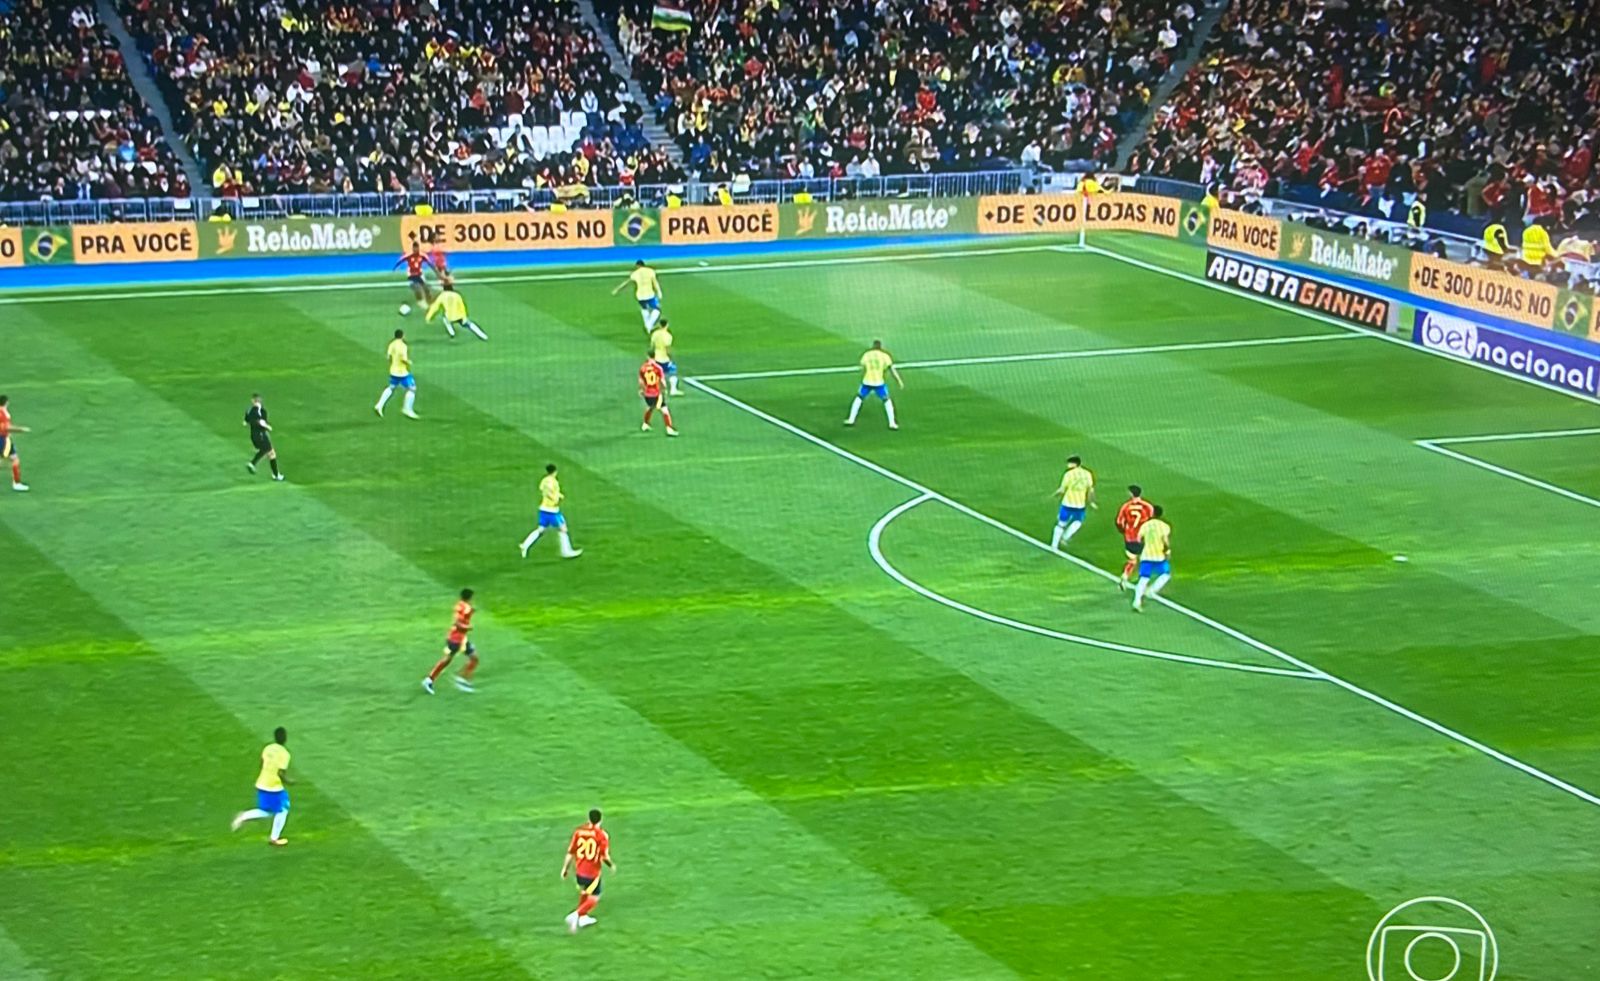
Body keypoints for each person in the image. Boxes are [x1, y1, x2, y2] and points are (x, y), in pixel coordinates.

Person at [230, 727, 292, 846]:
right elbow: (280, 773)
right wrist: (289, 781)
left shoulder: (268, 748)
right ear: (284, 738)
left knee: (268, 811)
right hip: (273, 787)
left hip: (262, 782)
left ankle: (244, 816)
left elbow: (262, 763)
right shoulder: (284, 754)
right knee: (282, 810)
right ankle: (274, 838)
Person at [560, 808, 615, 932]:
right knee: (595, 897)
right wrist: (611, 865)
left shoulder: (579, 832)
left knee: (585, 892)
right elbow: (604, 856)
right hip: (592, 872)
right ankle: (576, 914)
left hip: (579, 871)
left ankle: (583, 918)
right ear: (600, 819)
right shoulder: (601, 835)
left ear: (589, 819)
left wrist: (565, 868)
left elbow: (570, 852)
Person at [519, 464, 583, 558]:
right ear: (555, 471)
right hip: (552, 511)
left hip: (543, 508)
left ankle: (525, 545)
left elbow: (542, 489)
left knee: (541, 530)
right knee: (563, 529)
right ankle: (566, 552)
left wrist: (559, 495)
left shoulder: (544, 480)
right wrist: (555, 498)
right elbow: (548, 491)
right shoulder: (552, 481)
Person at [422, 589, 480, 694]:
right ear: (470, 597)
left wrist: (471, 612)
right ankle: (430, 680)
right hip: (456, 639)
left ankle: (462, 679)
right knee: (448, 660)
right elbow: (457, 623)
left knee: (473, 658)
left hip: (459, 638)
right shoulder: (464, 607)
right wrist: (468, 627)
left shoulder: (461, 605)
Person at [844, 340, 903, 429]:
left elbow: (862, 366)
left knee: (859, 398)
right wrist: (899, 380)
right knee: (887, 400)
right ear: (880, 346)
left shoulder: (867, 355)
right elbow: (892, 370)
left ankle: (851, 419)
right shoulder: (885, 356)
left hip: (867, 381)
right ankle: (892, 423)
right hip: (879, 383)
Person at [1131, 505, 1172, 612]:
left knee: (1143, 579)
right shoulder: (1164, 526)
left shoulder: (1145, 525)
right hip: (1159, 556)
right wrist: (1167, 551)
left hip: (1146, 556)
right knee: (1165, 574)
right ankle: (1151, 591)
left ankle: (1136, 601)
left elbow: (1139, 539)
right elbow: (1165, 541)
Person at [1050, 456, 1096, 550]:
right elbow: (1090, 490)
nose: (1068, 465)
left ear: (1074, 464)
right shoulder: (1087, 474)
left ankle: (1054, 546)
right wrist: (1091, 502)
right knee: (1078, 522)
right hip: (1080, 505)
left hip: (1067, 503)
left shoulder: (1069, 474)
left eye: (1069, 463)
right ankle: (1066, 537)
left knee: (1061, 524)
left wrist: (1054, 494)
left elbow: (1062, 490)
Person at [1114, 485, 1155, 589]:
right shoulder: (1148, 506)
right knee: (1145, 560)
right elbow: (1151, 521)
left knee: (1132, 561)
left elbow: (1119, 522)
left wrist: (1124, 531)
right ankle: (1143, 581)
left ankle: (1125, 576)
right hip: (1143, 538)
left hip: (1130, 538)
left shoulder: (1126, 506)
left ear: (1131, 494)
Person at [375, 329, 420, 419]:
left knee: (391, 387)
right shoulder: (403, 346)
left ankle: (379, 405)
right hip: (402, 372)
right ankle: (407, 409)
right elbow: (403, 358)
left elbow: (388, 356)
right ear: (402, 335)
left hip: (393, 370)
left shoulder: (391, 344)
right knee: (412, 389)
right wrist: (409, 362)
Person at [426, 276, 488, 340]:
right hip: (460, 316)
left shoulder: (442, 296)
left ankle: (452, 333)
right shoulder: (457, 295)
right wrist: (464, 316)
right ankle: (483, 336)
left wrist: (428, 317)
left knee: (445, 319)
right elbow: (462, 306)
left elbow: (435, 307)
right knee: (470, 324)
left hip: (450, 317)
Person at [612, 259, 663, 332]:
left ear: (637, 266)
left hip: (640, 296)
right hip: (649, 294)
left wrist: (617, 289)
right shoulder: (650, 271)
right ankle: (649, 325)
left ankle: (647, 326)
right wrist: (659, 292)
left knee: (644, 308)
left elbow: (626, 283)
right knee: (657, 309)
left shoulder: (635, 274)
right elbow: (655, 283)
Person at [243, 394, 284, 481]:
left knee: (271, 453)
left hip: (253, 435)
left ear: (252, 401)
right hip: (261, 435)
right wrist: (267, 427)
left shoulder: (249, 410)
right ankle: (252, 463)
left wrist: (252, 422)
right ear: (259, 400)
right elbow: (261, 422)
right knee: (266, 450)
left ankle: (276, 475)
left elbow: (245, 423)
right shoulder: (261, 411)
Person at [640, 352, 679, 437]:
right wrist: (664, 389)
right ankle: (669, 429)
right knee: (664, 410)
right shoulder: (658, 368)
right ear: (655, 357)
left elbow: (641, 381)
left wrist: (642, 390)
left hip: (648, 393)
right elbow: (662, 381)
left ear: (647, 356)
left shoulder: (643, 368)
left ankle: (645, 424)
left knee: (650, 407)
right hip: (656, 393)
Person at [0, 395, 29, 492]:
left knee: (10, 459)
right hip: (3, 439)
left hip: (4, 438)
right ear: (6, 402)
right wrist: (21, 430)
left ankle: (17, 483)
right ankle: (16, 483)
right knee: (13, 459)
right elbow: (5, 428)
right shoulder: (2, 414)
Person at [649, 317, 680, 396]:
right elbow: (668, 348)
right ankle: (673, 390)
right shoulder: (667, 335)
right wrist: (670, 357)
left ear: (659, 325)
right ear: (667, 325)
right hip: (664, 358)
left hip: (656, 358)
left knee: (657, 374)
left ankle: (656, 390)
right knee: (672, 372)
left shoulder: (655, 333)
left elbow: (652, 346)